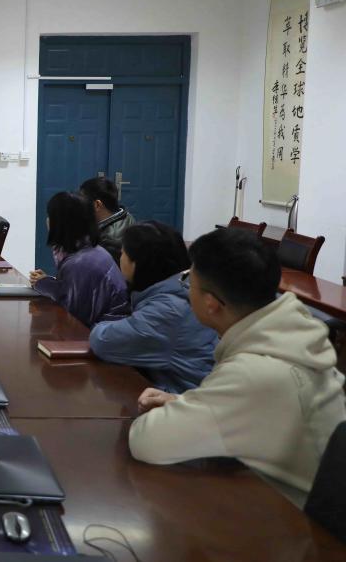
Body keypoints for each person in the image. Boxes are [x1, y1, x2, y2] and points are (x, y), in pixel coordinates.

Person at [129, 228, 346, 507]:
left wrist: (199, 408)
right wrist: (189, 403)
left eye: (188, 281)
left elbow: (146, 440)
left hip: (294, 523)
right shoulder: (293, 333)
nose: (185, 288)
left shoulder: (254, 373)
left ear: (211, 304)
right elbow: (260, 406)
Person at [88, 222, 218, 393]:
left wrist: (104, 325)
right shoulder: (182, 287)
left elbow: (103, 341)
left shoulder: (167, 310)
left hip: (187, 400)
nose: (120, 258)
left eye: (123, 253)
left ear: (136, 264)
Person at [29, 191, 129, 327]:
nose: (47, 220)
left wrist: (44, 284)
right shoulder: (85, 250)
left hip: (103, 334)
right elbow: (72, 293)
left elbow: (73, 317)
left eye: (50, 216)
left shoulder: (81, 263)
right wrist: (47, 282)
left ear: (60, 223)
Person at [79, 176, 136, 263]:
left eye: (82, 202)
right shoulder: (125, 215)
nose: (79, 206)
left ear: (97, 205)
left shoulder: (110, 242)